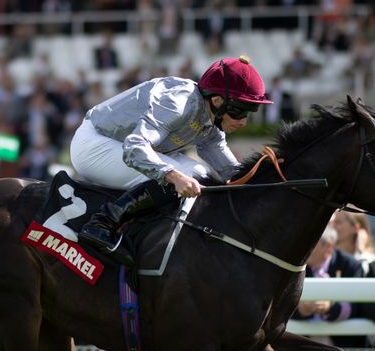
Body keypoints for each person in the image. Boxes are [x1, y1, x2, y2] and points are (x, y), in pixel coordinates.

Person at [70, 55, 273, 265]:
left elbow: (230, 172)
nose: (243, 122)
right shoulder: (179, 103)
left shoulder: (211, 116)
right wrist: (172, 175)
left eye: (250, 112)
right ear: (217, 100)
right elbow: (135, 147)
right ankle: (102, 224)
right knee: (179, 176)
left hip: (127, 146)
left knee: (201, 175)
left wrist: (265, 179)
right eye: (240, 111)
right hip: (94, 143)